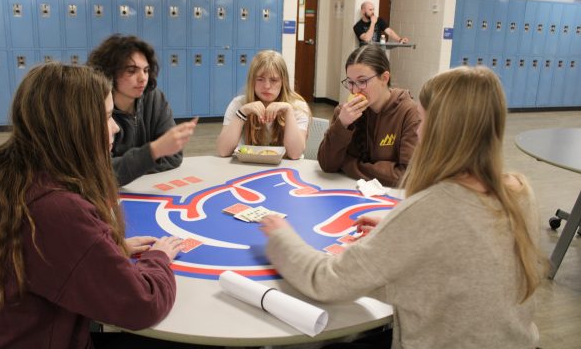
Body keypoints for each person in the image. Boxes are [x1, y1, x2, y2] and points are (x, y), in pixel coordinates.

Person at [260, 66, 547, 349]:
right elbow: (463, 240)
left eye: (423, 121)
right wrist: (396, 222)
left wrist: (281, 235)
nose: (419, 131)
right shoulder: (519, 191)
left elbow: (325, 281)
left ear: (443, 130)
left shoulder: (430, 209)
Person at [0, 63, 184, 348]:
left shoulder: (1, 173)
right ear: (74, 127)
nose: (116, 129)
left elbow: (41, 259)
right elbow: (143, 304)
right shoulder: (58, 210)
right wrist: (159, 258)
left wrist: (104, 250)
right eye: (107, 117)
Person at [87, 34, 197, 186]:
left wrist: (128, 168)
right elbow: (98, 172)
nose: (142, 78)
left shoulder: (155, 99)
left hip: (146, 189)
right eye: (131, 71)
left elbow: (173, 156)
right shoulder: (94, 105)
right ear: (109, 72)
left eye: (146, 70)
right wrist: (153, 152)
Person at [317, 44, 420, 187]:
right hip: (348, 193)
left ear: (384, 78)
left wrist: (348, 164)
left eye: (362, 81)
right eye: (351, 82)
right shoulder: (344, 112)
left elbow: (408, 175)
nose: (355, 90)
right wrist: (342, 125)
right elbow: (327, 165)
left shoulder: (409, 112)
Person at [216, 50, 311, 159]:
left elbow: (295, 154)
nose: (266, 86)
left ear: (283, 82)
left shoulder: (297, 107)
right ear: (252, 81)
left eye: (274, 80)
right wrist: (242, 113)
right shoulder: (239, 104)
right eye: (260, 79)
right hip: (247, 169)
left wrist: (288, 112)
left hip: (284, 169)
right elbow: (223, 151)